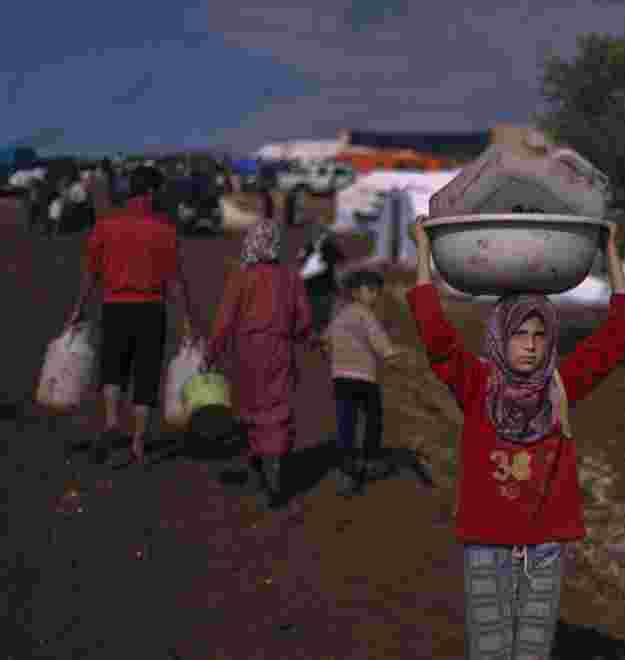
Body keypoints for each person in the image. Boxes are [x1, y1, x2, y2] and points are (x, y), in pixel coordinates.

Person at [407, 215, 625, 659]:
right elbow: (433, 330)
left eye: (539, 334)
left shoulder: (562, 386)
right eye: (519, 334)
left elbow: (619, 332)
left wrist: (611, 251)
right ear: (499, 336)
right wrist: (422, 248)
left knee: (532, 652)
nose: (530, 345)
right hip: (486, 540)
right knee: (490, 651)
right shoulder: (476, 386)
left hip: (545, 546)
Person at [66, 165, 198, 466]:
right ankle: (138, 442)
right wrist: (188, 321)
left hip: (114, 307)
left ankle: (112, 422)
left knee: (113, 369)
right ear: (151, 192)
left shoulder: (106, 225)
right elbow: (176, 281)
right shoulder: (164, 229)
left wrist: (78, 309)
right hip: (151, 310)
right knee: (146, 375)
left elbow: (91, 274)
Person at [205, 217, 315, 508]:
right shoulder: (290, 277)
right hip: (279, 349)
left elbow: (225, 321)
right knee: (278, 408)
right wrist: (305, 339)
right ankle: (275, 468)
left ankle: (261, 469)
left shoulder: (241, 277)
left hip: (246, 352)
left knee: (251, 407)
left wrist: (211, 354)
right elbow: (303, 320)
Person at [322, 269, 408, 497]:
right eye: (371, 290)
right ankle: (369, 460)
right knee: (374, 417)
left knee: (345, 422)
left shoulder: (340, 316)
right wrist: (391, 355)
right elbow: (379, 341)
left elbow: (325, 340)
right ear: (356, 292)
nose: (375, 295)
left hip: (340, 378)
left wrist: (334, 358)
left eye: (376, 291)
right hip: (364, 378)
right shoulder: (364, 314)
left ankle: (346, 471)